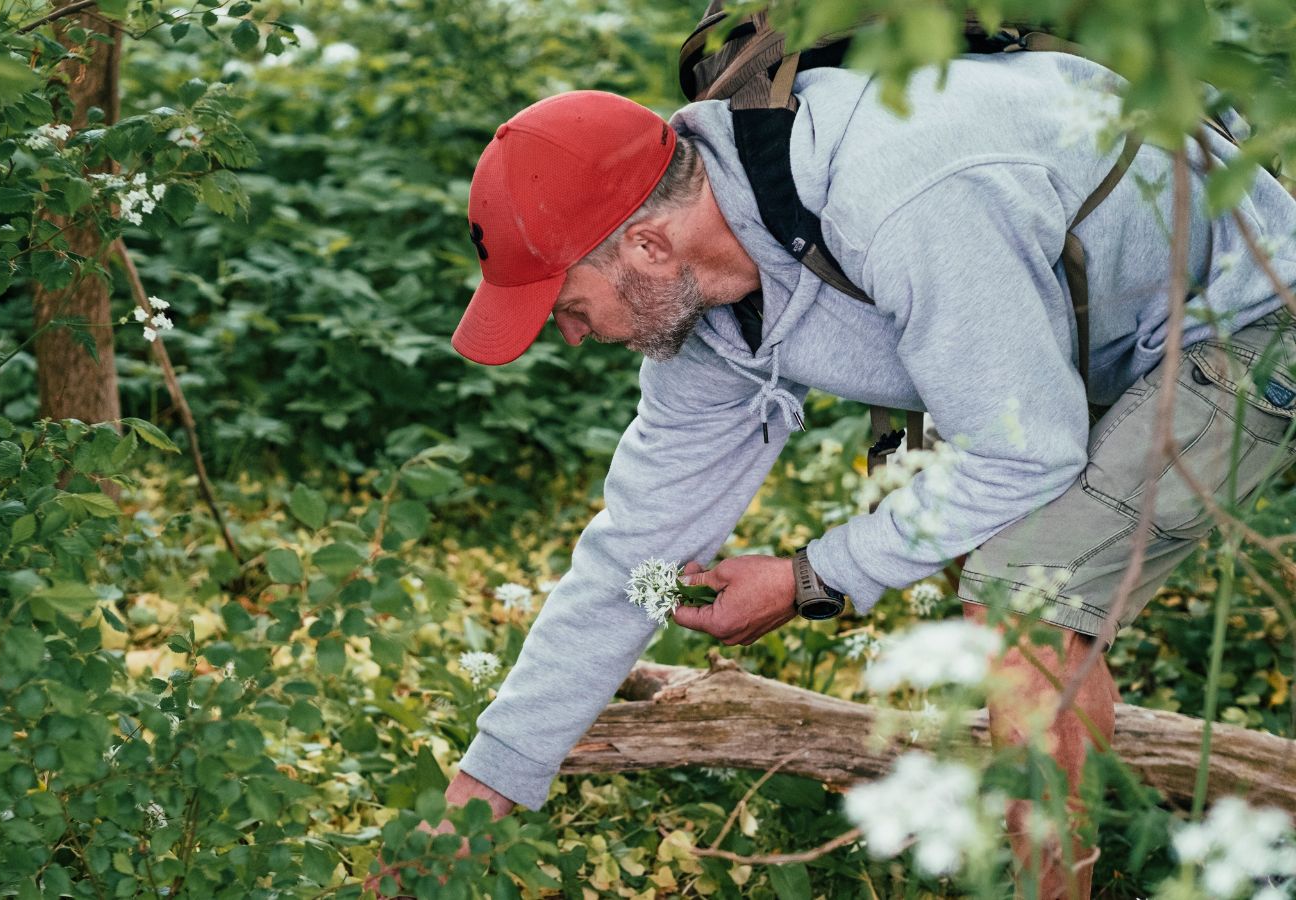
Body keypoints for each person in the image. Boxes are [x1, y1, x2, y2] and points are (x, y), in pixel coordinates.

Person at [440, 51, 1296, 899]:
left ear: (647, 243)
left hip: (1254, 316)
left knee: (1018, 593)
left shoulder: (902, 197)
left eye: (566, 306)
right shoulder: (715, 318)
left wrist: (812, 579)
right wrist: (482, 791)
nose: (572, 335)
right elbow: (634, 553)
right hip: (1102, 348)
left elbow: (1025, 453)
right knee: (1003, 568)